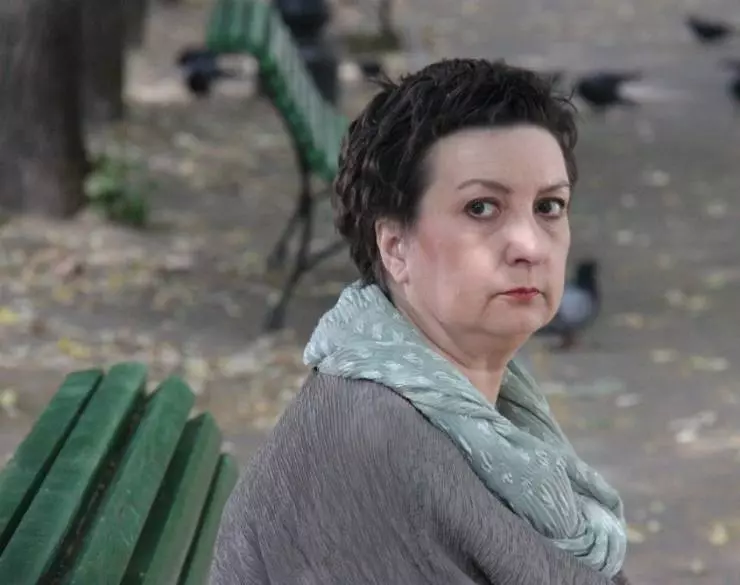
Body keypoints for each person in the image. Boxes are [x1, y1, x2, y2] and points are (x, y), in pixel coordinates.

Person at [209, 58, 631, 584]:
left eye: (549, 206)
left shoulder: (473, 407)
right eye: (482, 208)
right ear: (395, 247)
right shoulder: (368, 452)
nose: (529, 245)